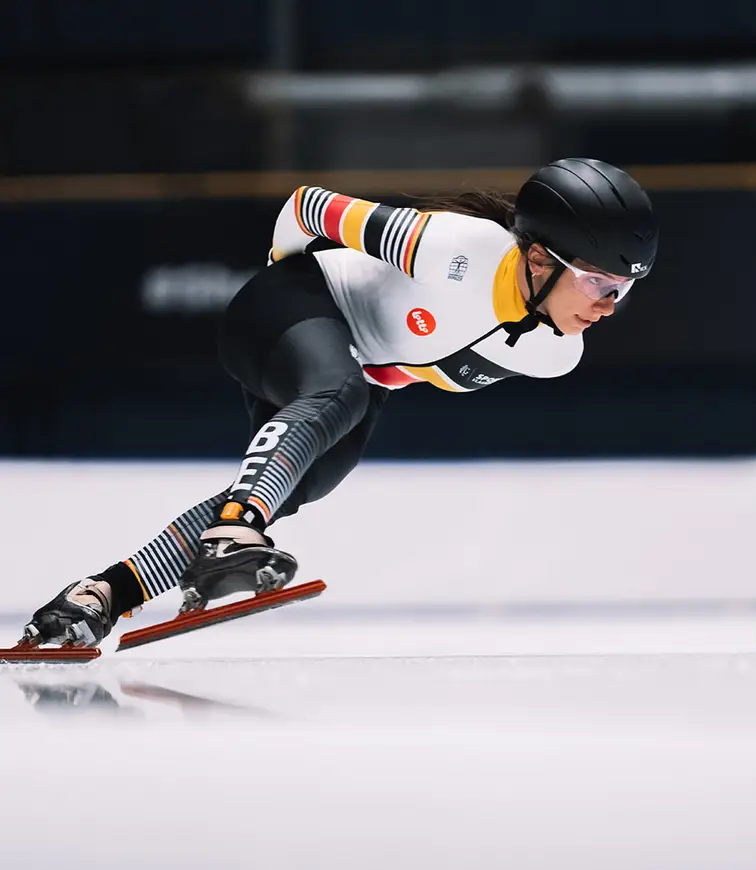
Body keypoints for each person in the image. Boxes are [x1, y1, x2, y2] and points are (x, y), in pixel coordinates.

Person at [22, 157, 658, 649]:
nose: (608, 306)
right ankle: (233, 531)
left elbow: (414, 364)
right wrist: (281, 280)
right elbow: (307, 208)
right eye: (597, 282)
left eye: (623, 290)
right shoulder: (451, 247)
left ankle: (99, 596)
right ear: (539, 259)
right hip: (284, 309)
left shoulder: (553, 354)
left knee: (309, 480)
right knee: (336, 401)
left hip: (345, 369)